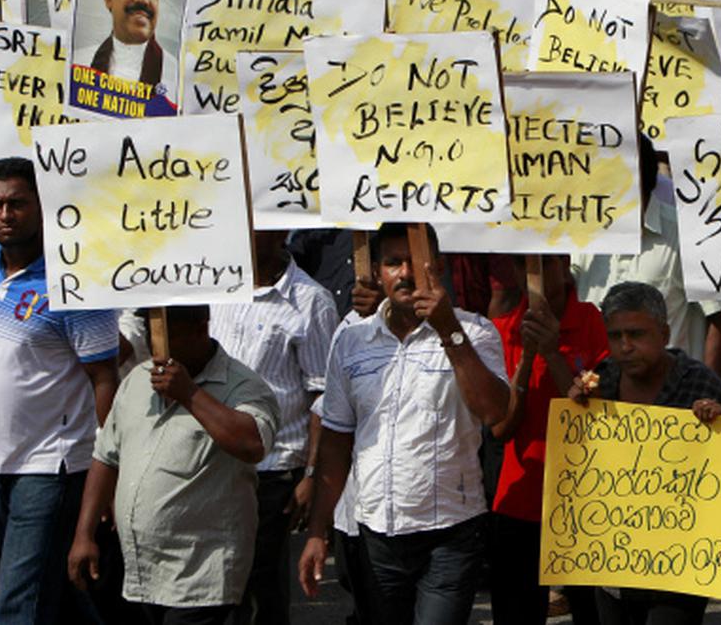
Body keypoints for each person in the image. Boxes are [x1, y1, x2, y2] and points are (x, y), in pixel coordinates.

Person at [298, 223, 509, 625]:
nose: (406, 273)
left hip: (452, 531)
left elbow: (495, 414)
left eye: (417, 262)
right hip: (376, 532)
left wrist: (449, 330)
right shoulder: (351, 339)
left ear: (440, 266)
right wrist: (316, 532)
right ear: (377, 272)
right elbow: (337, 442)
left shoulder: (476, 331)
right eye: (394, 263)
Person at [0, 156, 119, 624]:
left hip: (51, 465)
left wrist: (108, 469)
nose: (6, 215)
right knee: (61, 593)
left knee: (19, 602)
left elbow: (104, 378)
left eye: (18, 204)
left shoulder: (73, 279)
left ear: (42, 205)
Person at [67, 305, 281, 625]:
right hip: (141, 574)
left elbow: (252, 445)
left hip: (201, 578)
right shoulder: (137, 381)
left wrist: (190, 394)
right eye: (151, 337)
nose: (157, 350)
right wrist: (84, 534)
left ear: (199, 327)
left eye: (166, 336)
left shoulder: (242, 386)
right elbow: (106, 456)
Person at [567, 281, 721, 625]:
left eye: (636, 334)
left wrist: (720, 425)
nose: (625, 346)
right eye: (615, 335)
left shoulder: (698, 383)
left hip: (677, 572)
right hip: (613, 566)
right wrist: (577, 409)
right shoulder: (600, 382)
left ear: (664, 333)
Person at [212, 231, 338, 625]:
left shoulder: (310, 301)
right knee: (217, 586)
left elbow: (323, 395)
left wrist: (311, 475)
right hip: (212, 462)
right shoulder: (214, 284)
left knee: (258, 585)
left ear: (281, 230)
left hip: (273, 469)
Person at [488, 255, 608, 625]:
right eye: (525, 265)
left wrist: (553, 352)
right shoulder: (501, 328)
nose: (534, 275)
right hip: (520, 495)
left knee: (593, 614)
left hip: (585, 497)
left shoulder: (592, 320)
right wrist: (527, 356)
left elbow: (594, 409)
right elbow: (500, 428)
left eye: (545, 264)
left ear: (566, 263)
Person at [571, 135, 721, 379]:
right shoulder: (583, 234)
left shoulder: (685, 234)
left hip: (671, 400)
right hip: (600, 392)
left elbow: (717, 320)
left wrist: (706, 389)